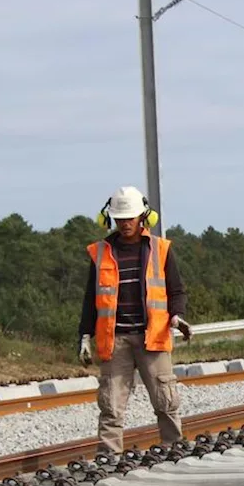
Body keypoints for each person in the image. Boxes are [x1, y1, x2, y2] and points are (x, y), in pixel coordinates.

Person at [78, 186, 192, 454]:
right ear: (110, 219)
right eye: (119, 219)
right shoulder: (100, 252)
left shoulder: (160, 249)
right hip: (114, 340)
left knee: (165, 399)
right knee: (110, 405)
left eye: (129, 218)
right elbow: (90, 298)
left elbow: (176, 289)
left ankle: (174, 450)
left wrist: (177, 316)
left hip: (152, 336)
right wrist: (84, 334)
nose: (125, 224)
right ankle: (108, 458)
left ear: (143, 217)